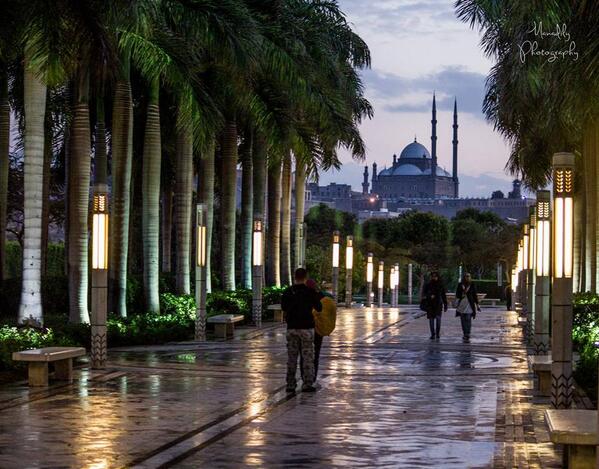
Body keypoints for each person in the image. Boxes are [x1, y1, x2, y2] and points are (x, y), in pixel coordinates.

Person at [281, 268, 323, 393]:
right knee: (308, 357)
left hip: (292, 328)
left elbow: (284, 307)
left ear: (294, 277)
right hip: (306, 328)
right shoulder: (310, 291)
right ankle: (307, 384)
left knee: (292, 357)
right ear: (306, 277)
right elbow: (319, 308)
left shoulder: (288, 291)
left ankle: (290, 384)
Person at [455, 272, 481, 342]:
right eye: (466, 276)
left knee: (468, 319)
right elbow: (457, 294)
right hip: (462, 305)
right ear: (464, 277)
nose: (467, 277)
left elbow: (475, 295)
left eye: (469, 276)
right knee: (463, 320)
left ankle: (468, 333)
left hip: (470, 305)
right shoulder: (460, 285)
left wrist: (477, 305)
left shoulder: (472, 285)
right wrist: (459, 298)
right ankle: (465, 333)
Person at [422, 271, 447, 339]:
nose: (434, 278)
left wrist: (445, 304)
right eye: (433, 276)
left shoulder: (440, 285)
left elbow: (443, 295)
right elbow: (424, 294)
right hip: (430, 304)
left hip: (438, 304)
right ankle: (433, 334)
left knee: (438, 319)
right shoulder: (428, 285)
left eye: (435, 276)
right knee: (431, 319)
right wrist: (430, 296)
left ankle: (437, 333)